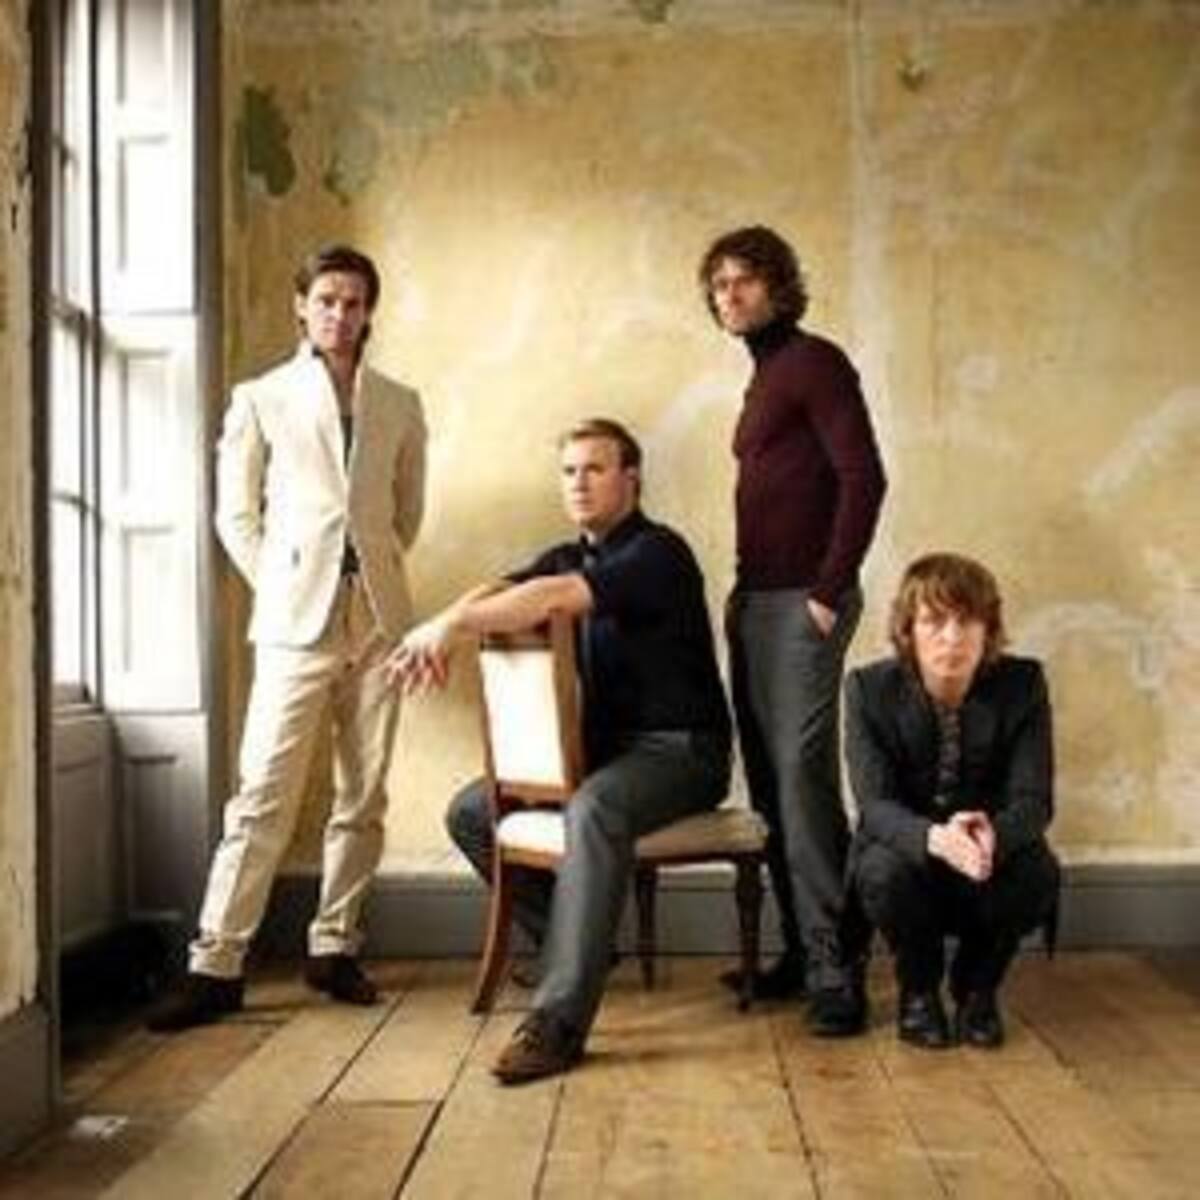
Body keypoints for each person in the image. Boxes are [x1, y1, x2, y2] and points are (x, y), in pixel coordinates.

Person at [390, 418, 731, 1084]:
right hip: (606, 753)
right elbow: (497, 592)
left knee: (593, 810)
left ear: (631, 479)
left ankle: (558, 1022)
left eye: (595, 469)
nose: (578, 483)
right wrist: (445, 622)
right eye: (569, 471)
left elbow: (552, 599)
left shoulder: (659, 553)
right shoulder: (566, 554)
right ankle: (574, 946)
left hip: (681, 752)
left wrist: (451, 626)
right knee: (473, 812)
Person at [148, 244, 427, 1031]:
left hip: (378, 620)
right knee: (263, 795)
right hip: (294, 621)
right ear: (302, 306)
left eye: (354, 302)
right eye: (327, 299)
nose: (340, 314)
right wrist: (285, 579)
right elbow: (235, 515)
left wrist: (371, 576)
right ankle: (216, 963)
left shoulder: (400, 402)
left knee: (363, 794)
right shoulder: (262, 397)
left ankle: (335, 946)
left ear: (369, 312)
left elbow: (406, 512)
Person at [697, 226, 886, 1034]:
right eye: (719, 285)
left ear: (779, 286)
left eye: (744, 280)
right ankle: (808, 950)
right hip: (757, 601)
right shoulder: (765, 376)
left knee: (803, 784)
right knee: (772, 786)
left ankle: (836, 969)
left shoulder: (815, 362)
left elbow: (864, 477)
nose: (730, 295)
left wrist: (828, 590)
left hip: (802, 600)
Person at [845, 553, 1060, 1049]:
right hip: (910, 856)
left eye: (967, 621)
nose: (952, 637)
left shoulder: (1023, 684)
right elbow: (874, 806)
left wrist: (992, 835)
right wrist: (936, 838)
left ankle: (978, 991)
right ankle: (918, 994)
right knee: (881, 872)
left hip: (986, 856)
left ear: (989, 630)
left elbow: (1034, 799)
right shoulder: (867, 689)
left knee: (1037, 872)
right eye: (934, 621)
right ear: (908, 630)